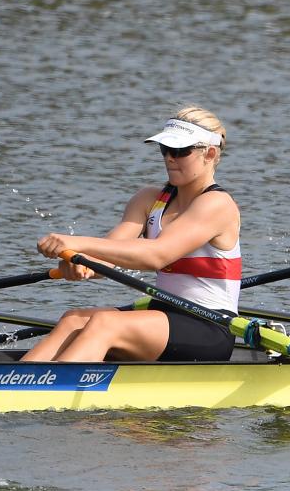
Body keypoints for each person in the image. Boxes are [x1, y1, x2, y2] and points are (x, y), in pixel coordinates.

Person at [22, 106, 243, 363]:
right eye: (165, 149)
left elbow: (156, 256)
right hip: (162, 315)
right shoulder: (149, 199)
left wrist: (75, 242)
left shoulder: (217, 205)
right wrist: (80, 262)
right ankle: (10, 382)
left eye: (180, 151)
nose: (169, 158)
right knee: (74, 319)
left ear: (210, 153)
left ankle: (47, 388)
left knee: (106, 323)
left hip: (209, 325)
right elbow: (110, 251)